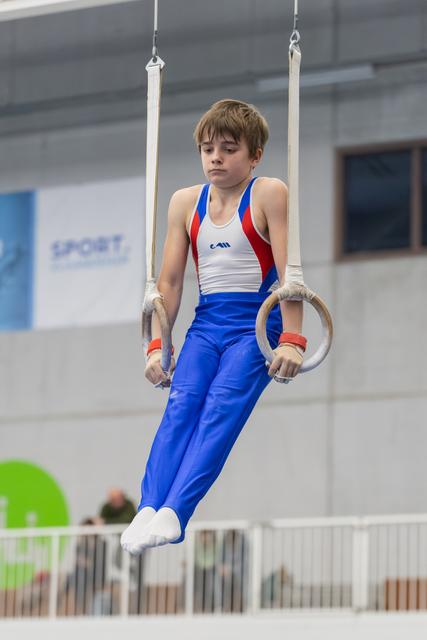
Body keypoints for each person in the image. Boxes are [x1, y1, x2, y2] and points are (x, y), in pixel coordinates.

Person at [121, 99, 305, 555]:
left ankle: (175, 512)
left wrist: (293, 341)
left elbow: (291, 275)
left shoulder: (268, 193)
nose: (216, 158)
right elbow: (169, 281)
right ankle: (148, 506)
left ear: (255, 155)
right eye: (207, 150)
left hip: (257, 327)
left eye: (228, 148)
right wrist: (157, 345)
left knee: (220, 408)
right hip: (207, 324)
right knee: (181, 405)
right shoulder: (186, 202)